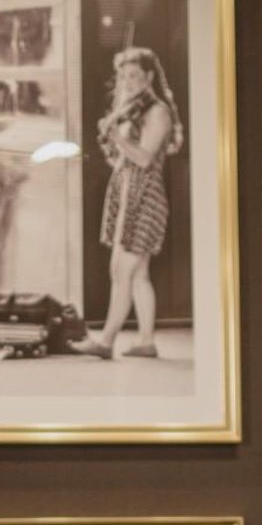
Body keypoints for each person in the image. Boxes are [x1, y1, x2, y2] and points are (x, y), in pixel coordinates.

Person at [78, 46, 182, 360]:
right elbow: (122, 160)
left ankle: (106, 341)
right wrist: (113, 138)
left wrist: (119, 138)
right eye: (124, 76)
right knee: (138, 274)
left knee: (120, 271)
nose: (129, 82)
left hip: (144, 196)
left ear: (150, 76)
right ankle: (146, 341)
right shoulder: (132, 109)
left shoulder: (158, 111)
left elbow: (145, 158)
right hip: (126, 192)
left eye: (135, 75)